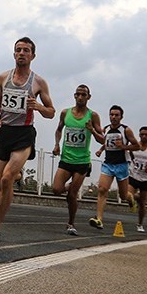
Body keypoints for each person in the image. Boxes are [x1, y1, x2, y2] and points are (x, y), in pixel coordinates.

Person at [0, 37, 55, 242]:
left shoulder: (39, 82)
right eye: (18, 50)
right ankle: (17, 174)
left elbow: (51, 112)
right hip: (3, 133)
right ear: (14, 54)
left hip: (23, 134)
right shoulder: (2, 78)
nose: (22, 53)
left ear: (33, 56)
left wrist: (39, 107)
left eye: (26, 50)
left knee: (6, 178)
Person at [51, 84, 104, 235]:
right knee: (56, 189)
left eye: (84, 95)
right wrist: (56, 145)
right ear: (74, 96)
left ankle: (71, 223)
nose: (80, 97)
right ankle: (71, 186)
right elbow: (59, 129)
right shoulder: (65, 113)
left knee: (71, 195)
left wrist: (92, 130)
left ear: (88, 97)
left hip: (82, 162)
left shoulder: (93, 116)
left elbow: (102, 140)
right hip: (66, 159)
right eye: (78, 94)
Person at [88, 105, 141, 230]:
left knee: (123, 195)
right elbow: (103, 140)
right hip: (108, 164)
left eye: (116, 115)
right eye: (111, 115)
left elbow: (137, 146)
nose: (114, 117)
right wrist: (93, 132)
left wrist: (123, 147)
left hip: (122, 165)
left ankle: (131, 199)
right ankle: (99, 219)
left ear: (121, 117)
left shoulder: (126, 130)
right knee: (102, 189)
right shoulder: (106, 129)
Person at [128, 126, 147, 232]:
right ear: (139, 135)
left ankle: (140, 224)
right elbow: (129, 157)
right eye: (142, 134)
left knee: (142, 203)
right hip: (133, 176)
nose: (144, 136)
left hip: (145, 179)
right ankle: (134, 200)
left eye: (146, 134)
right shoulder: (134, 146)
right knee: (128, 195)